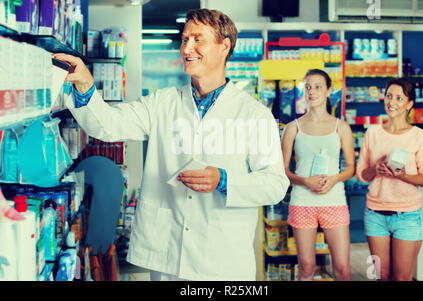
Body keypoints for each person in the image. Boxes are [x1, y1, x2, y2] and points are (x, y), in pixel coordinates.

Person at [53, 8, 289, 281]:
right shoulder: (162, 103)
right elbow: (108, 125)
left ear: (224, 46)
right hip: (168, 254)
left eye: (198, 39)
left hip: (222, 258)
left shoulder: (254, 114)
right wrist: (85, 85)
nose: (187, 47)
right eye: (185, 39)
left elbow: (275, 185)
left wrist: (224, 180)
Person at [356, 78, 423, 281]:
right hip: (375, 215)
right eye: (389, 96)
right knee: (381, 276)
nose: (392, 102)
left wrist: (404, 176)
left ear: (409, 104)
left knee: (402, 278)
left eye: (399, 98)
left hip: (407, 216)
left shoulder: (419, 136)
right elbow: (362, 174)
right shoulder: (372, 133)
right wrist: (376, 170)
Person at [281, 69, 355, 281]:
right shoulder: (293, 128)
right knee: (306, 267)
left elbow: (350, 168)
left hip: (334, 201)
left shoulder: (341, 127)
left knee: (342, 268)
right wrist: (305, 181)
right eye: (308, 87)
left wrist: (333, 179)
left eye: (317, 86)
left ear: (329, 91)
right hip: (302, 202)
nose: (311, 91)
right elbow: (283, 171)